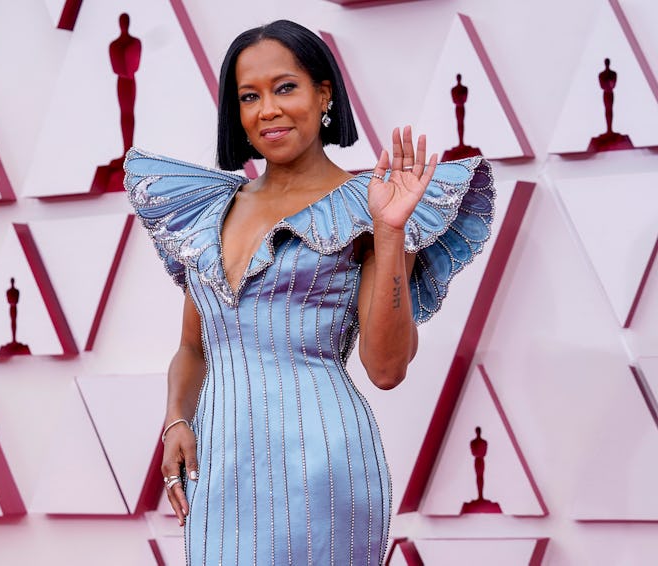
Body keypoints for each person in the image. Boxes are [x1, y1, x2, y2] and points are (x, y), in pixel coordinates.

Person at [125, 19, 495, 565]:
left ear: (324, 93)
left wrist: (391, 233)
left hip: (319, 458)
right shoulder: (208, 209)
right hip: (221, 461)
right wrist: (176, 419)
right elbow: (194, 348)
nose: (267, 109)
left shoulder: (373, 204)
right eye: (249, 96)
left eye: (285, 87)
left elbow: (387, 369)